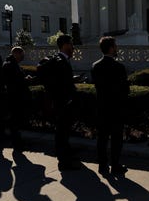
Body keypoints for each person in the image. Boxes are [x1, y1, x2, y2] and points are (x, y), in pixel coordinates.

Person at [91, 36, 130, 176]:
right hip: (116, 108)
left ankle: (102, 166)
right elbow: (125, 90)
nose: (117, 48)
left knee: (102, 138)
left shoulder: (95, 66)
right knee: (116, 138)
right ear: (111, 48)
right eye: (115, 46)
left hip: (102, 107)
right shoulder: (119, 67)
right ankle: (115, 165)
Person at [45, 34, 82, 171]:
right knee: (61, 133)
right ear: (65, 45)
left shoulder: (62, 59)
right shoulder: (60, 61)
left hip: (62, 103)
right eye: (71, 44)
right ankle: (64, 162)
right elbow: (59, 84)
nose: (73, 47)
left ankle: (66, 156)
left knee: (63, 132)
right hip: (62, 104)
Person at [2, 46, 32, 149]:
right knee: (15, 120)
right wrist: (26, 80)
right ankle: (16, 142)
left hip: (14, 96)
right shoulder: (10, 65)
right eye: (22, 55)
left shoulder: (11, 64)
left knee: (15, 120)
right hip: (15, 97)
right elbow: (14, 82)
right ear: (16, 54)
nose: (23, 57)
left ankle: (17, 141)